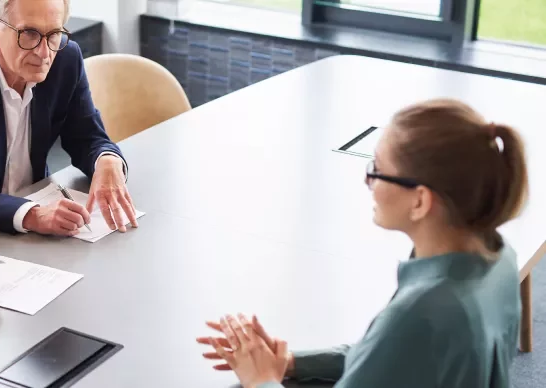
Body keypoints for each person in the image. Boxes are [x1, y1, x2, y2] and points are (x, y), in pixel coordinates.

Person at [196, 98, 528, 388]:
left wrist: (261, 380)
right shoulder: (498, 257)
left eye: (377, 170)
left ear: (420, 202)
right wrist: (293, 363)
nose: (368, 180)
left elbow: (402, 342)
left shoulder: (423, 312)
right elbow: (389, 357)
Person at [0, 0, 139, 236]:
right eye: (29, 34)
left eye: (54, 34)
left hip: (40, 221)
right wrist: (31, 214)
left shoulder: (66, 59)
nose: (44, 53)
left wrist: (107, 159)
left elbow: (87, 136)